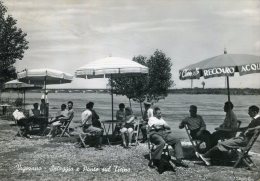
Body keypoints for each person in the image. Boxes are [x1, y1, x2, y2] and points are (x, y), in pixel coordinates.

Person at [148, 107, 188, 172]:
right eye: (159, 113)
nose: (160, 114)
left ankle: (179, 159)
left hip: (164, 133)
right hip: (154, 134)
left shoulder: (161, 119)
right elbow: (156, 127)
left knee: (176, 140)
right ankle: (154, 160)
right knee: (162, 142)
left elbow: (169, 127)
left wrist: (163, 125)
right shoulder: (151, 119)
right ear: (155, 114)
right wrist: (163, 125)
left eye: (160, 113)